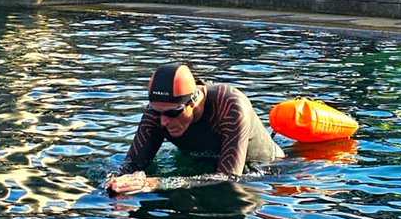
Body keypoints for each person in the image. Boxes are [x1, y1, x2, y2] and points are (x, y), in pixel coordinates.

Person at [105, 63, 284, 195]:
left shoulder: (230, 106)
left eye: (173, 113)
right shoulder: (159, 112)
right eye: (156, 111)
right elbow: (131, 165)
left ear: (194, 102)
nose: (164, 121)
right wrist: (116, 184)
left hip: (267, 169)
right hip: (203, 162)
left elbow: (229, 177)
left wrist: (157, 183)